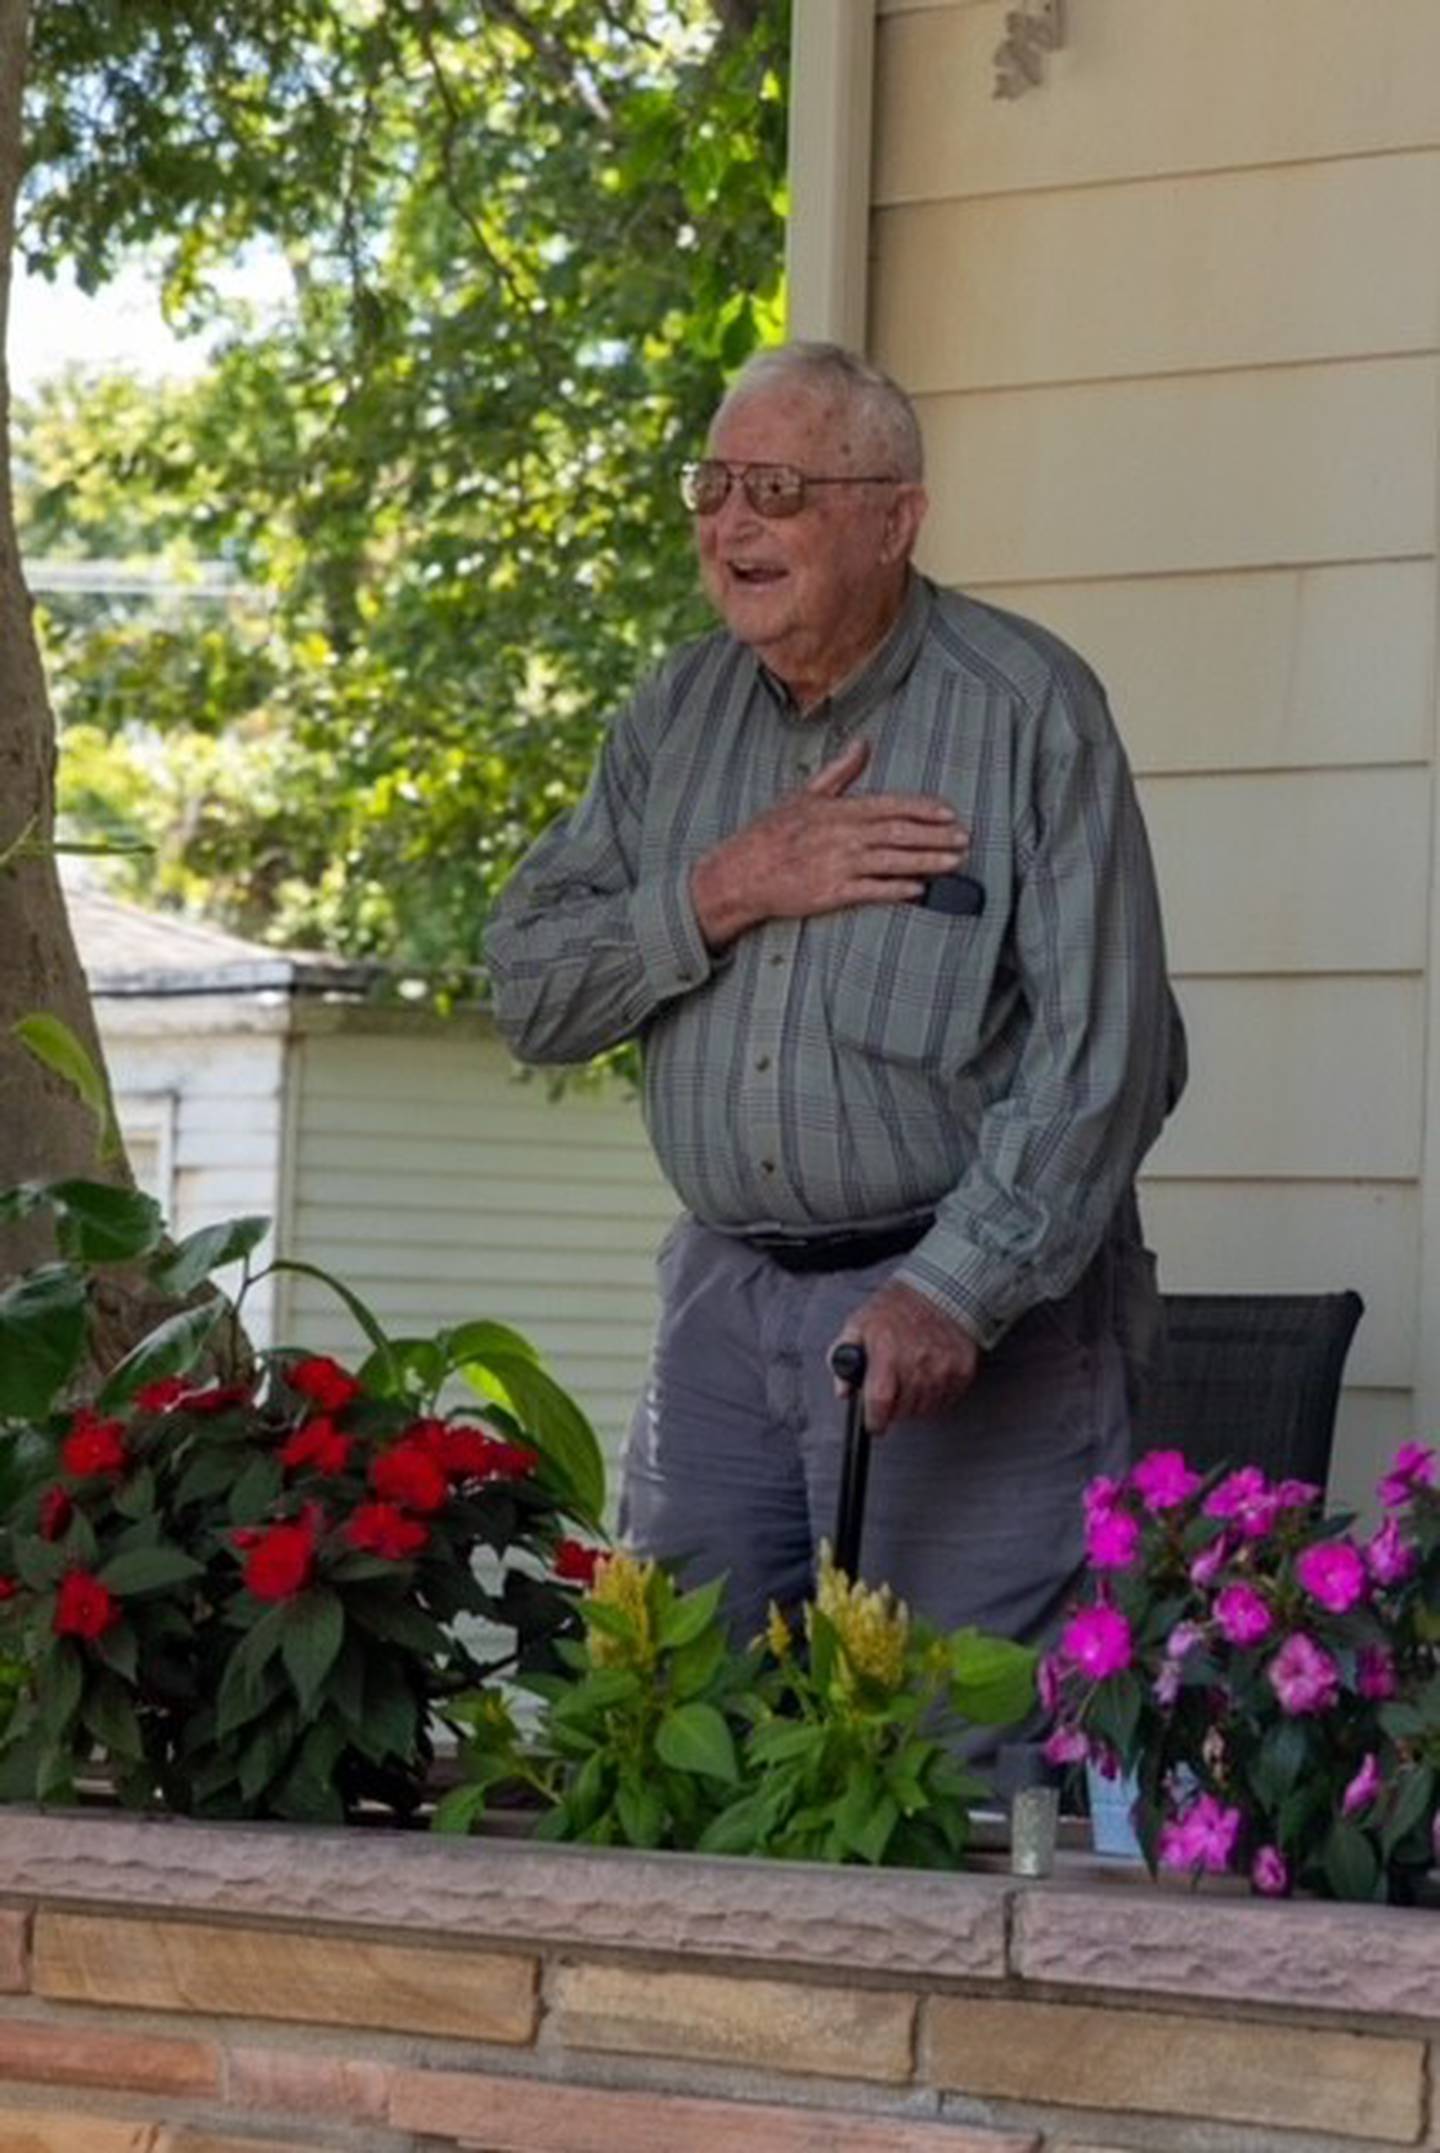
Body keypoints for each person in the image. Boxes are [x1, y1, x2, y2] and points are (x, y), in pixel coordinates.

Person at [484, 340, 1186, 1652]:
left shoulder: (1029, 709)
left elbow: (1114, 1058)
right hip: (721, 1316)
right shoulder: (672, 719)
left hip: (951, 1313)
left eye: (779, 490)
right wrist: (724, 886)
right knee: (683, 1739)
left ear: (893, 518)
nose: (732, 521)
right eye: (714, 486)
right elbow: (528, 986)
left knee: (953, 1770)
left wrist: (952, 1290)